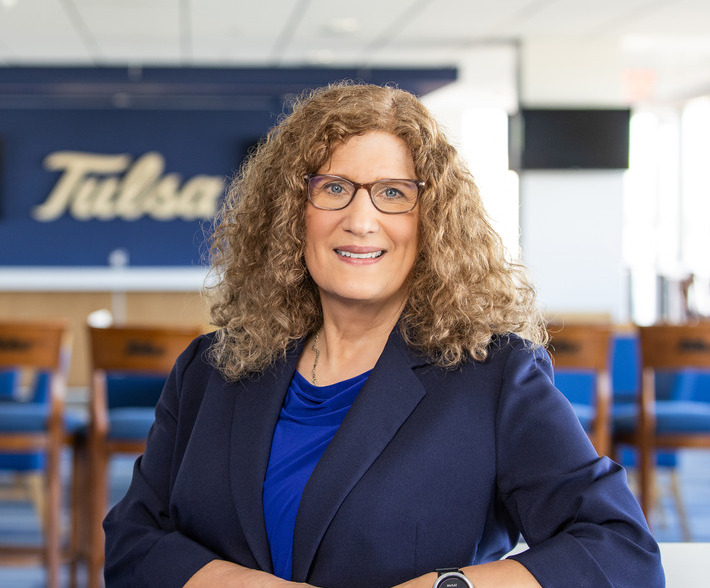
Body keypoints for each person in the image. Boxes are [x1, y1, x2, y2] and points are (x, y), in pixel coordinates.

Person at [103, 82, 664, 588]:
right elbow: (133, 540)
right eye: (334, 188)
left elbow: (620, 550)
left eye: (393, 193)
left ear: (434, 219)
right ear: (291, 213)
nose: (361, 219)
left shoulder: (496, 376)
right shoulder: (211, 368)